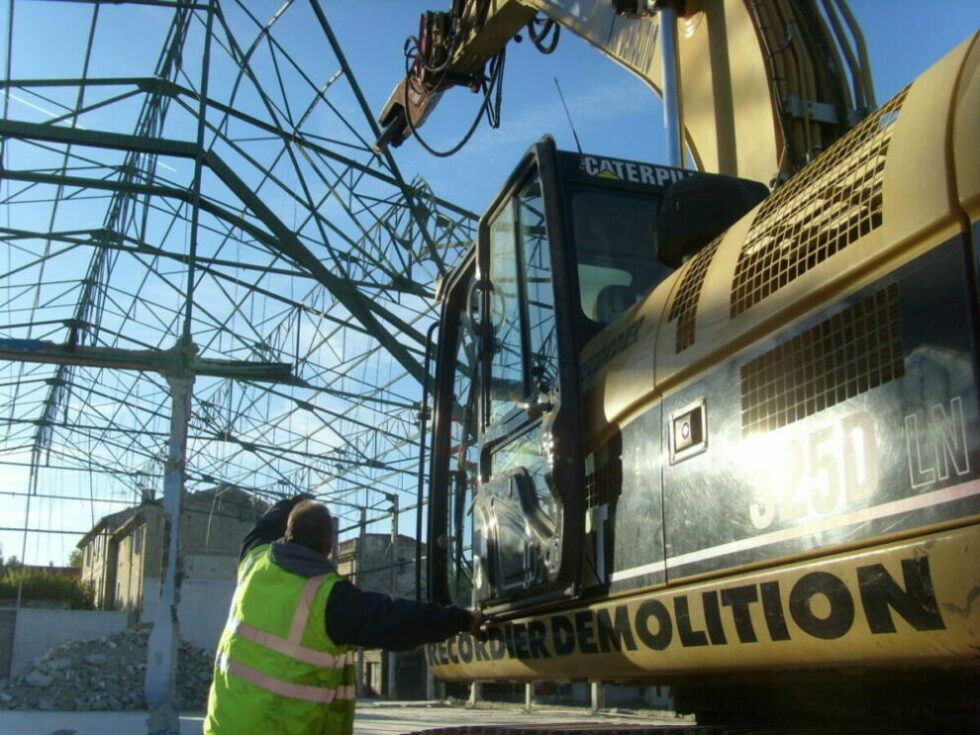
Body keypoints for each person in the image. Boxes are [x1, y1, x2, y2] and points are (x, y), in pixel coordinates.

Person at [204, 494, 482, 735]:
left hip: (223, 725)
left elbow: (263, 527)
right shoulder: (330, 598)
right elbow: (397, 620)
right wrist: (461, 619)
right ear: (328, 545)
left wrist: (291, 502)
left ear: (288, 531)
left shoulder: (254, 560)